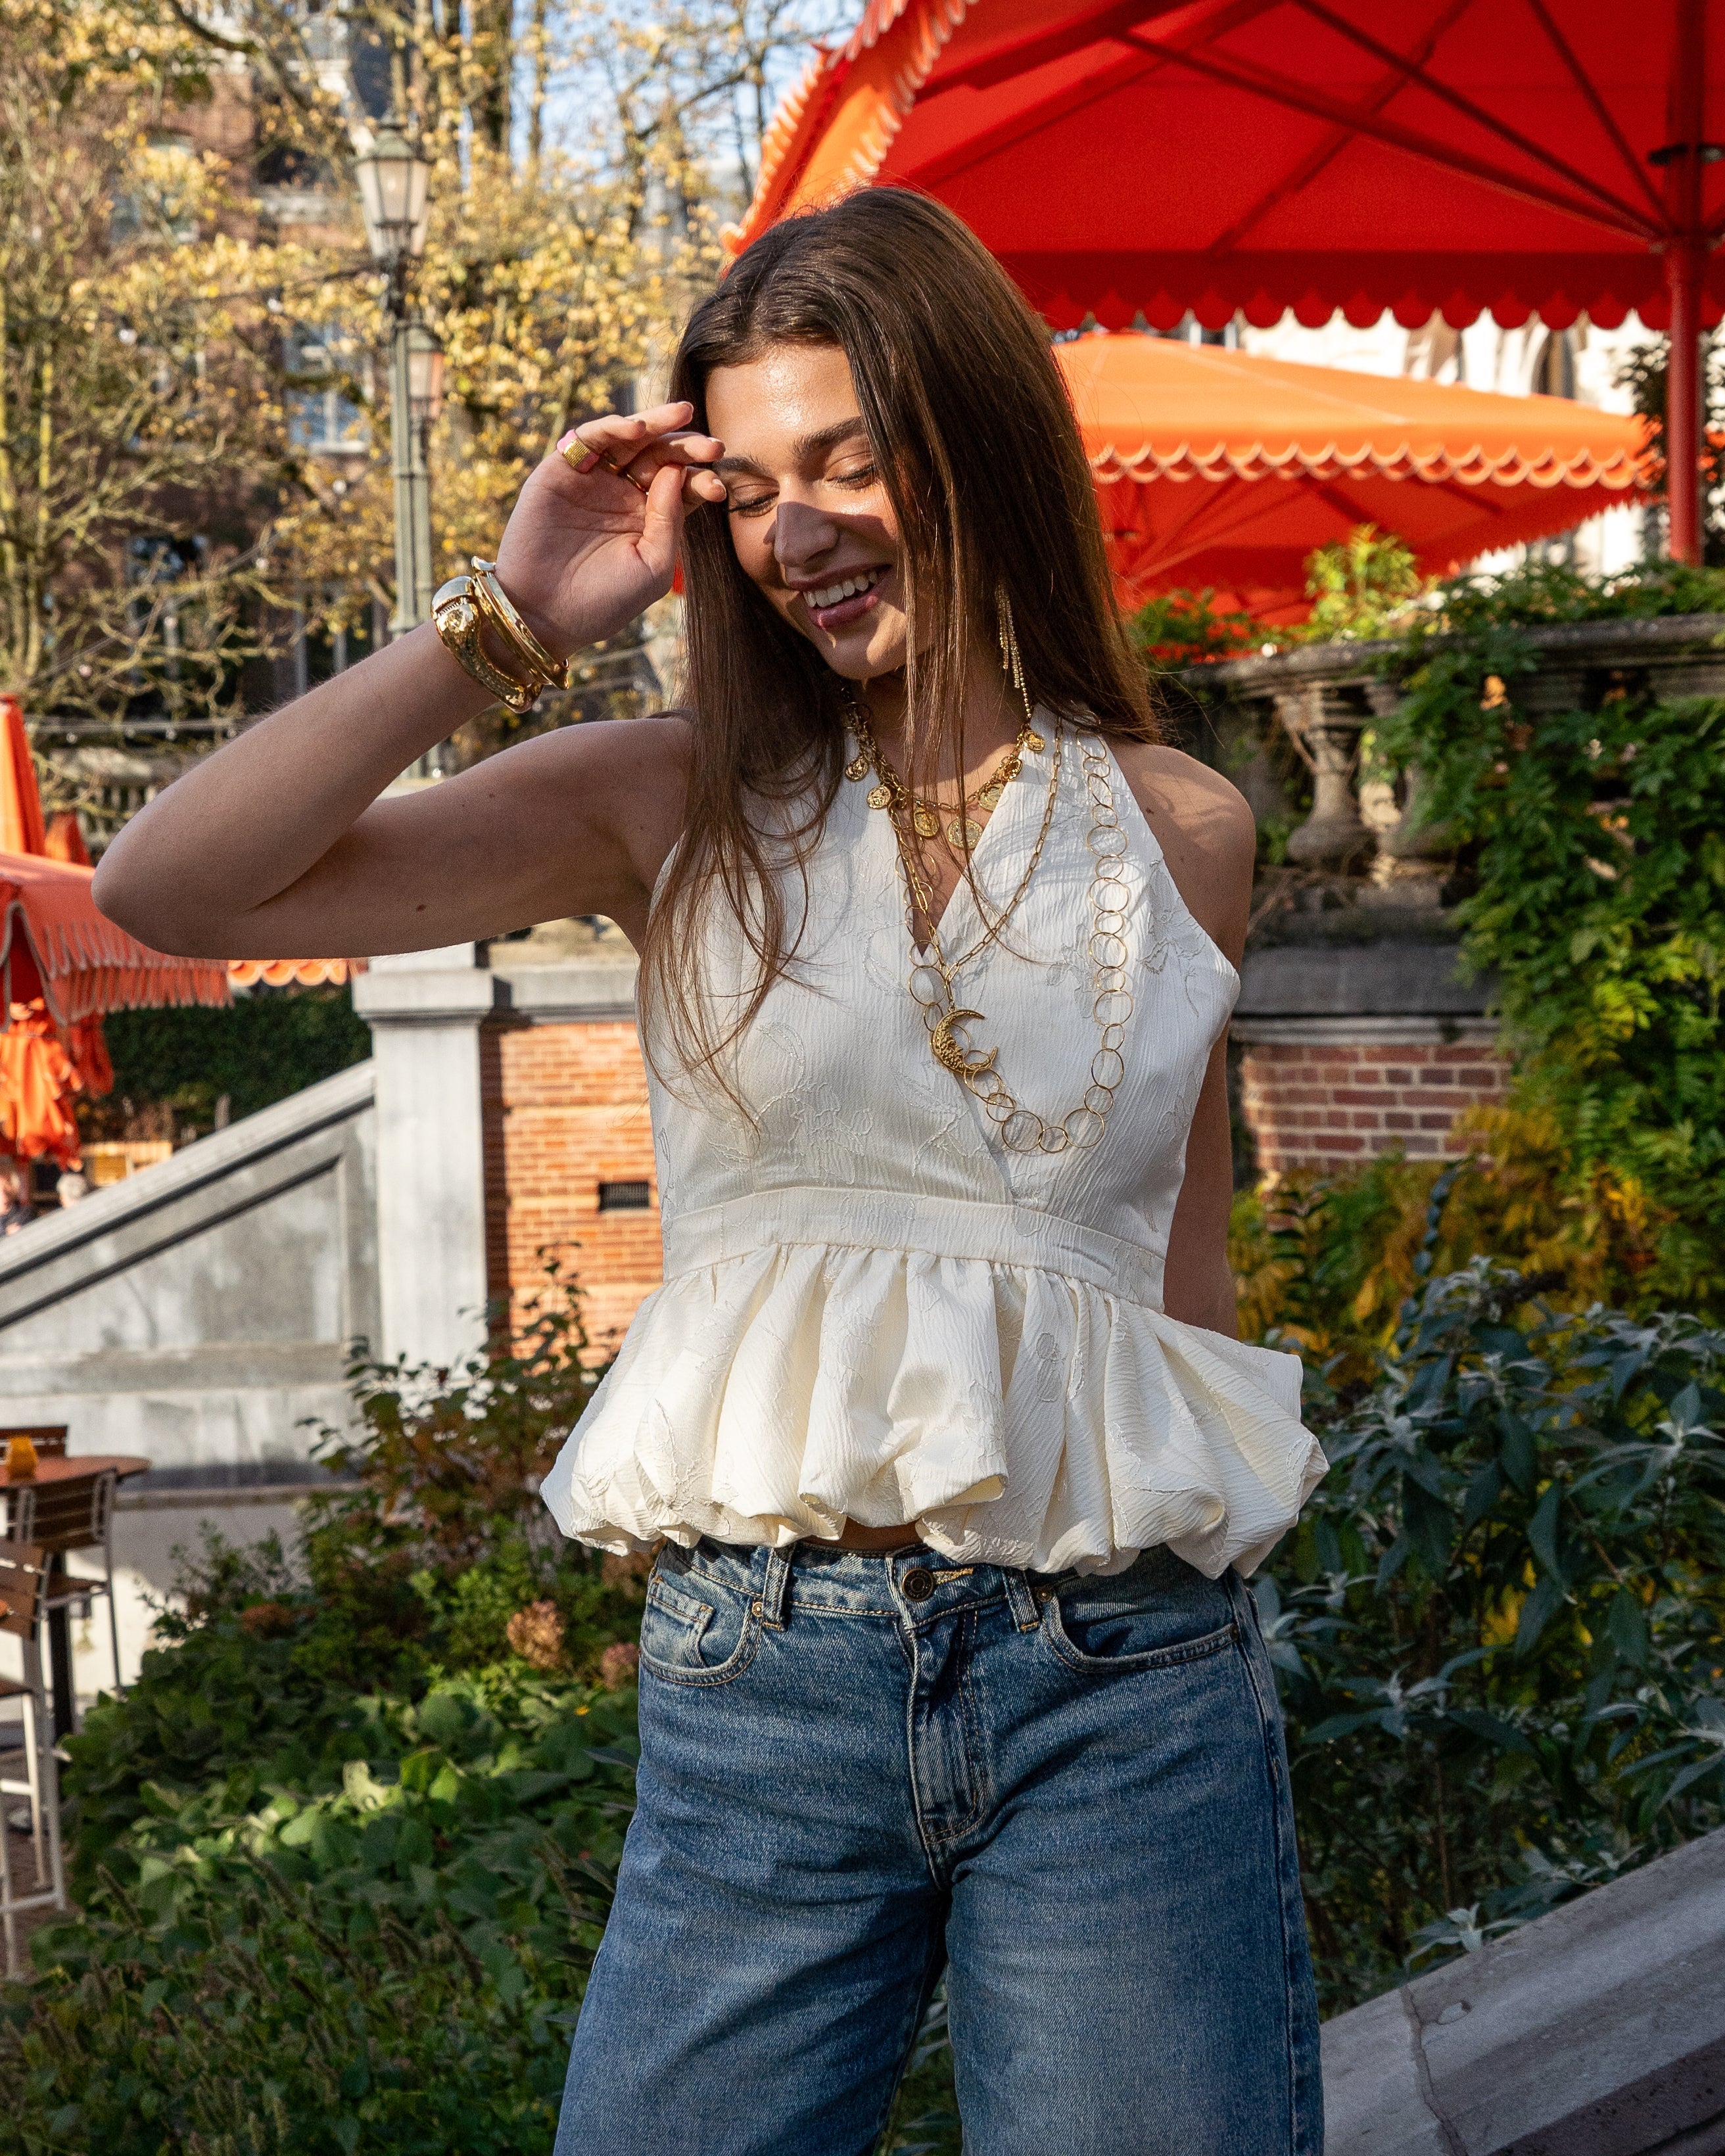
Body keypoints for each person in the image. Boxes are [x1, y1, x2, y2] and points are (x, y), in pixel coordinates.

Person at [94, 189, 1327, 2154]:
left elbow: (1176, 1287)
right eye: (749, 489)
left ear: (981, 442)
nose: (801, 530)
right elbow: (167, 888)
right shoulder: (671, 801)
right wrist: (513, 622)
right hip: (774, 1683)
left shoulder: (1185, 827)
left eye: (849, 459)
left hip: (1131, 1676)